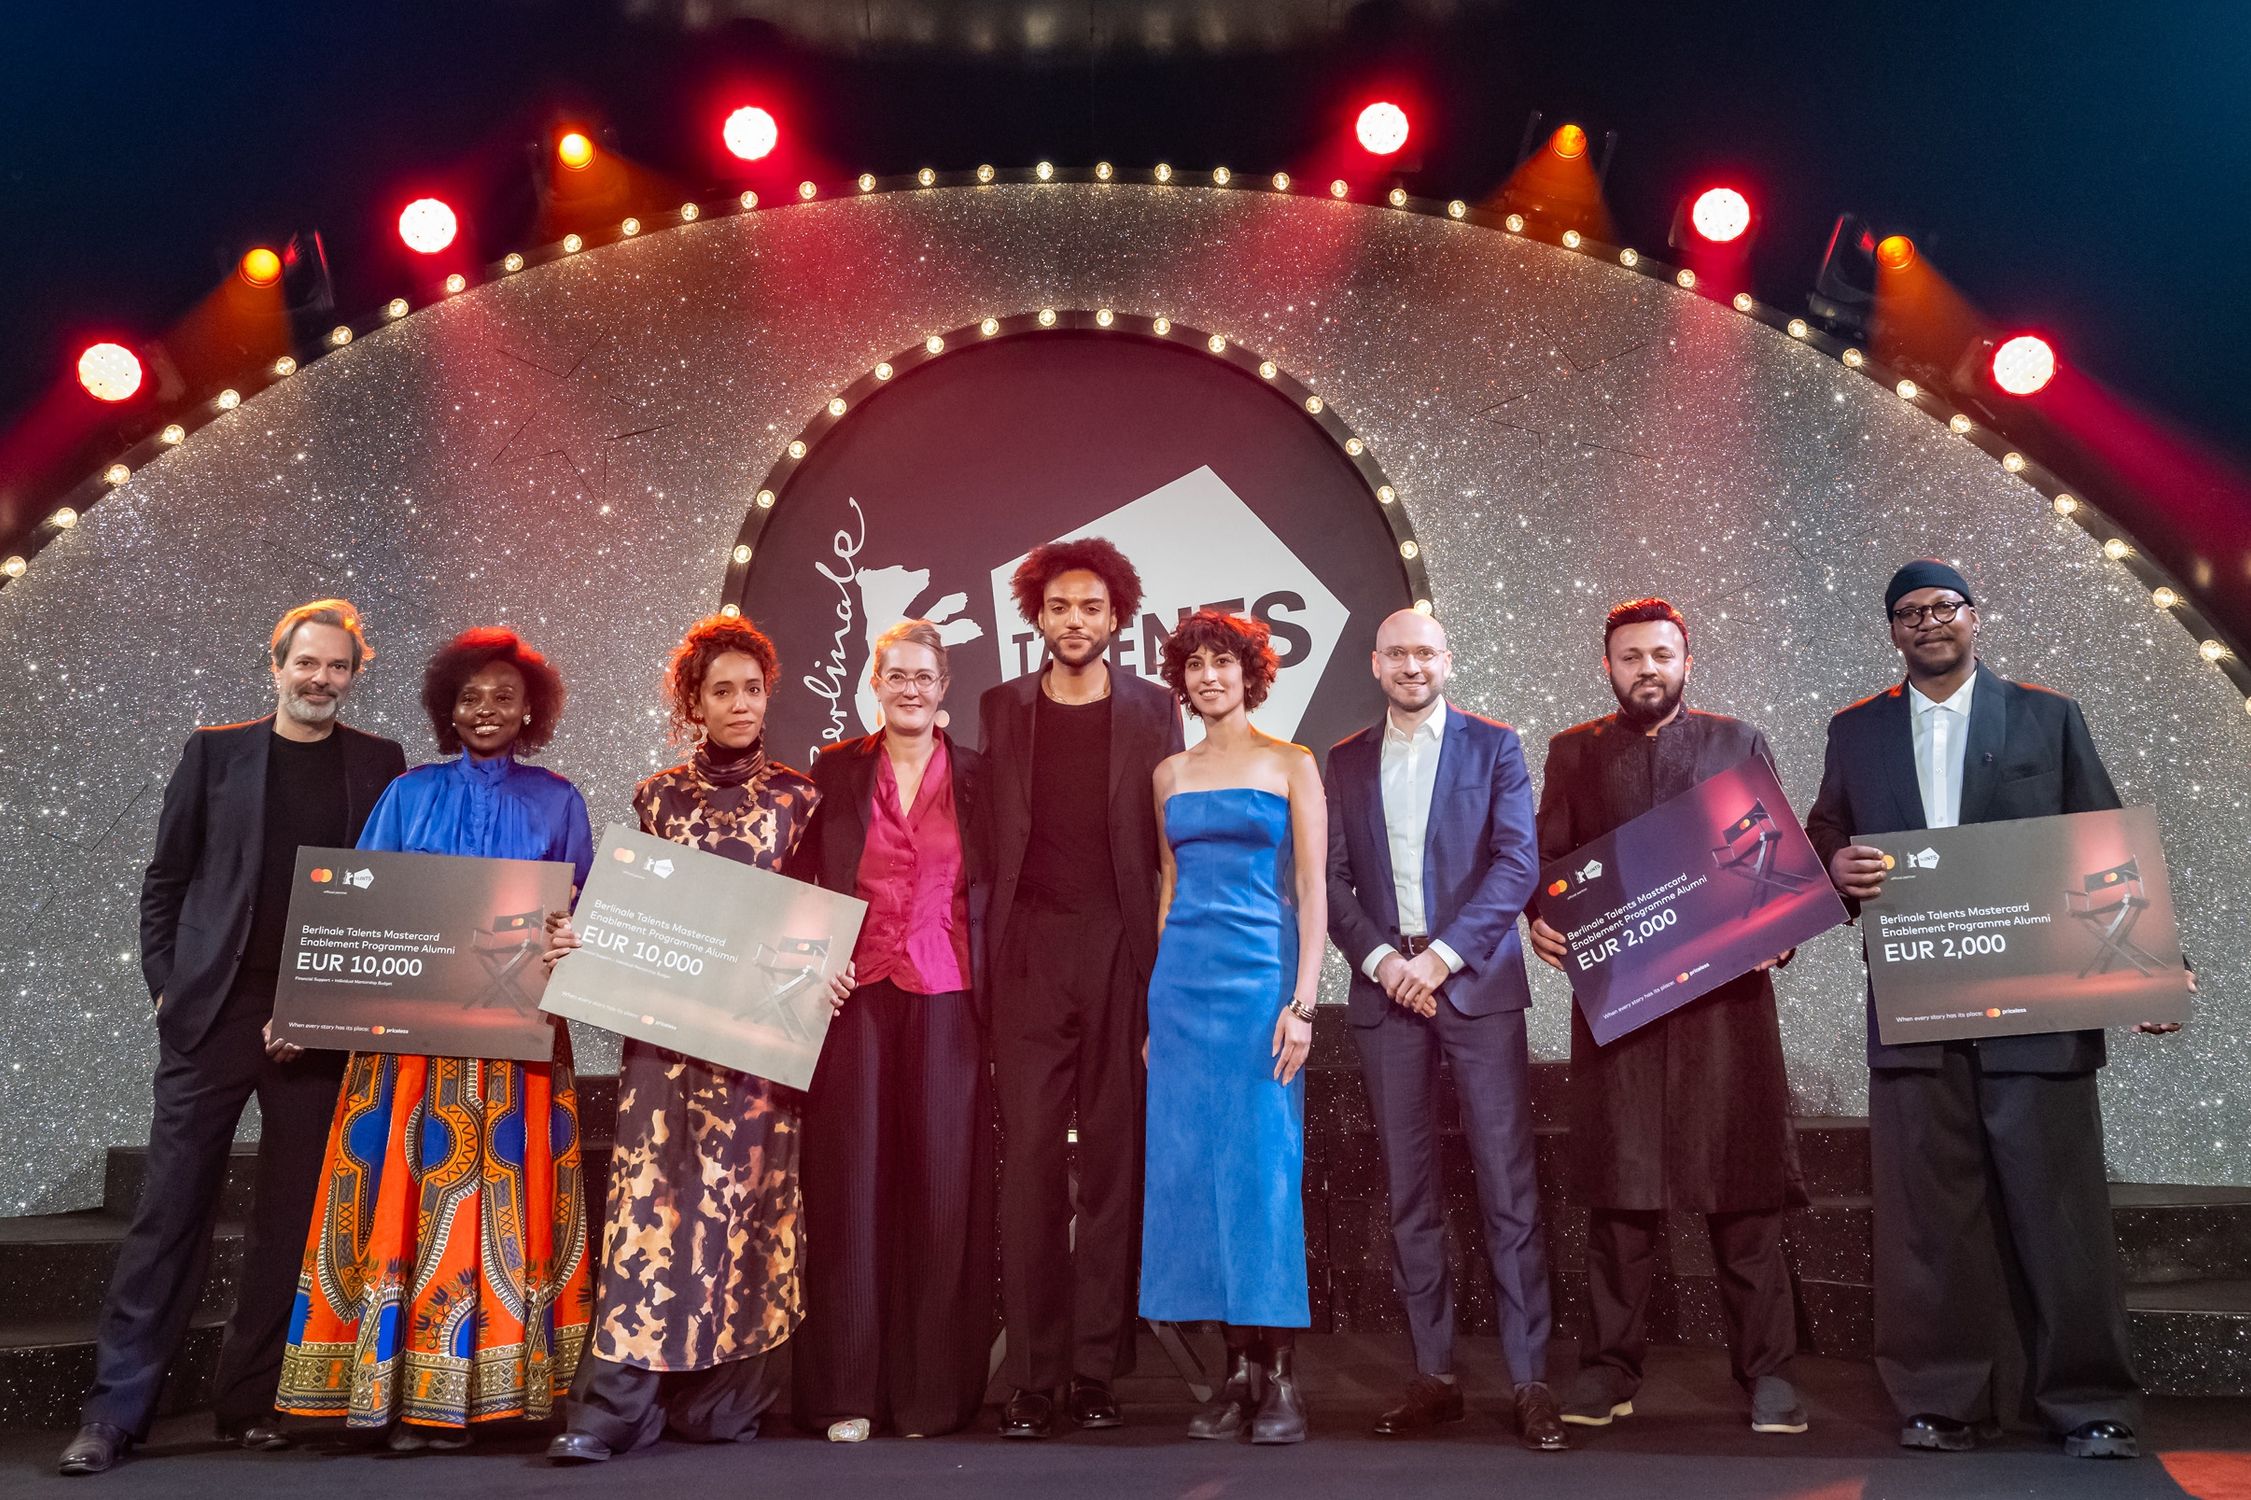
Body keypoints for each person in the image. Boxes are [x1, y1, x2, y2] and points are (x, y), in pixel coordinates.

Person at [1806, 559, 2181, 1460]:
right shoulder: (1854, 731)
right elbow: (1825, 829)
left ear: (1973, 618)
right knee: (1929, 1221)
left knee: (2058, 1215)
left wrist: (2153, 969)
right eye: (1908, 612)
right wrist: (1833, 868)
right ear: (1891, 631)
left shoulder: (2046, 716)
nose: (1928, 622)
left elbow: (2101, 840)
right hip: (1918, 1006)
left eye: (1943, 607)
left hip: (2038, 1010)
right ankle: (1939, 1401)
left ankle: (2089, 1403)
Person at [61, 601, 407, 1477]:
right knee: (168, 1216)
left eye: (336, 667)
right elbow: (165, 880)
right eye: (306, 664)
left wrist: (324, 1009)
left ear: (353, 674)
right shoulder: (214, 752)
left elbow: (384, 901)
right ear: (276, 665)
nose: (320, 679)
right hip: (210, 1018)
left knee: (288, 1226)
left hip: (314, 1029)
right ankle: (115, 1415)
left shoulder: (379, 763)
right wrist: (168, 991)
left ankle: (251, 1404)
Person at [539, 614, 852, 1463]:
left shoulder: (802, 797)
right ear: (694, 703)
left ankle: (721, 1403)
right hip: (664, 1049)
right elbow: (628, 917)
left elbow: (818, 918)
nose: (742, 703)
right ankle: (614, 1409)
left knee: (746, 1215)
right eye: (723, 691)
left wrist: (828, 971)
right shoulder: (656, 796)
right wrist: (579, 939)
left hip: (757, 1049)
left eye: (753, 689)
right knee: (647, 1211)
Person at [275, 627, 594, 1447]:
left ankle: (488, 1398)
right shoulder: (407, 794)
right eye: (470, 696)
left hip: (518, 1046)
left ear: (532, 710)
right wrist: (305, 1006)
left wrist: (572, 937)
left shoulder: (558, 800)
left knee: (504, 1215)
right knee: (399, 1206)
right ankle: (392, 1393)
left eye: (504, 696)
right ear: (447, 707)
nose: (485, 710)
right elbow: (360, 913)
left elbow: (584, 914)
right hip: (408, 1051)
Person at [1528, 598, 1809, 1438]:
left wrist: (1778, 940)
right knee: (1622, 1199)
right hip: (1626, 1005)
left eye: (1660, 654)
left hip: (1725, 1010)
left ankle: (1768, 1376)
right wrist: (1540, 917)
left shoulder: (1735, 741)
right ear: (1605, 667)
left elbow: (1775, 857)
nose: (1645, 668)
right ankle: (1607, 1370)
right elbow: (1550, 862)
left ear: (1686, 661)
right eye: (1629, 657)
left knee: (1744, 1197)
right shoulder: (1572, 753)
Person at [1323, 609, 1565, 1451]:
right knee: (1409, 1194)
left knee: (1508, 1187)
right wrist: (1389, 965)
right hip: (1386, 994)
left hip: (1476, 988)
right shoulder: (1344, 759)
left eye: (1425, 652)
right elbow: (1335, 880)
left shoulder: (1493, 746)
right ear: (1375, 663)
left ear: (1446, 661)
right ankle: (1434, 1375)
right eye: (1397, 654)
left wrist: (1445, 958)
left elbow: (1516, 864)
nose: (1412, 665)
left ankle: (1530, 1379)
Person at [979, 538, 1183, 1438]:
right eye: (1059, 606)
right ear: (1036, 614)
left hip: (1120, 954)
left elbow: (1168, 847)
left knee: (1112, 1161)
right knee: (1026, 1164)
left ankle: (1097, 1371)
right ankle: (1031, 1376)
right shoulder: (999, 707)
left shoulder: (1154, 709)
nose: (1074, 621)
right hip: (1027, 952)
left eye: (1091, 608)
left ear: (1116, 618)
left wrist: (1161, 974)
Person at [785, 620, 996, 1441]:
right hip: (855, 1001)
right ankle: (848, 1394)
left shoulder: (980, 778)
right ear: (873, 684)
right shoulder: (835, 772)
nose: (909, 688)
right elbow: (800, 880)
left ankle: (928, 1398)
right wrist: (810, 961)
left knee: (941, 1192)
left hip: (951, 998)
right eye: (895, 674)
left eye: (924, 676)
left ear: (944, 688)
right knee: (851, 1188)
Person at [1140, 609, 1325, 1445]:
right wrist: (1152, 1006)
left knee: (1260, 1179)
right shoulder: (1168, 773)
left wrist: (1304, 1004)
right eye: (1196, 665)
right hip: (1181, 993)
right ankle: (1234, 1376)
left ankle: (1280, 1375)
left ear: (1252, 674)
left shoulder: (1292, 763)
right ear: (1180, 677)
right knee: (1190, 1179)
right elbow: (1168, 887)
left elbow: (1315, 893)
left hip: (1262, 990)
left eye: (1224, 663)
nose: (1209, 677)